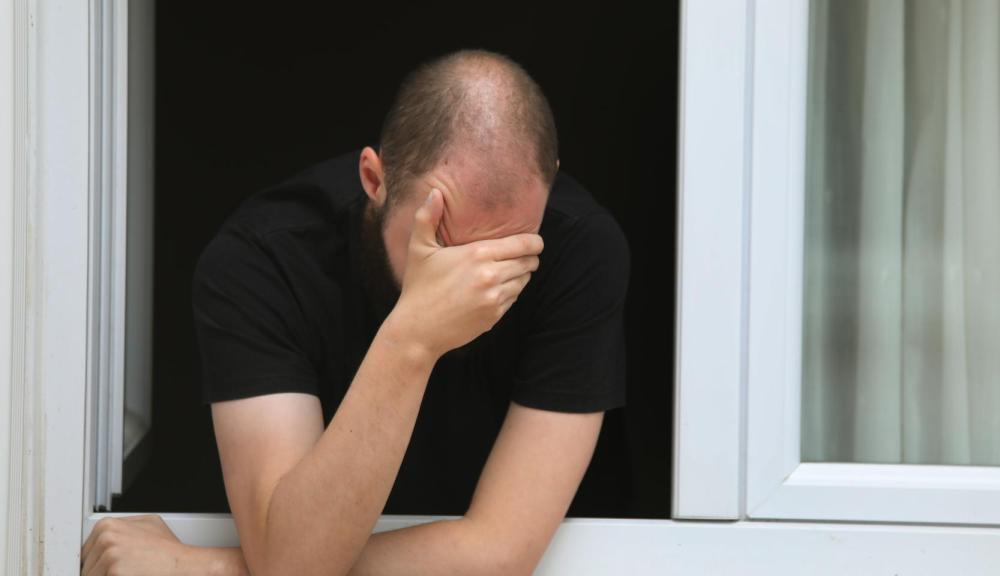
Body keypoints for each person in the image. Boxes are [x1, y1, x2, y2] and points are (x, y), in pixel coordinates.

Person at [81, 49, 629, 576]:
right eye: (443, 241)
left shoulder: (580, 247)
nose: (474, 281)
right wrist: (413, 337)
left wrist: (211, 568)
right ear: (374, 178)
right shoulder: (262, 259)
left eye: (510, 250)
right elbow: (293, 560)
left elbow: (499, 553)